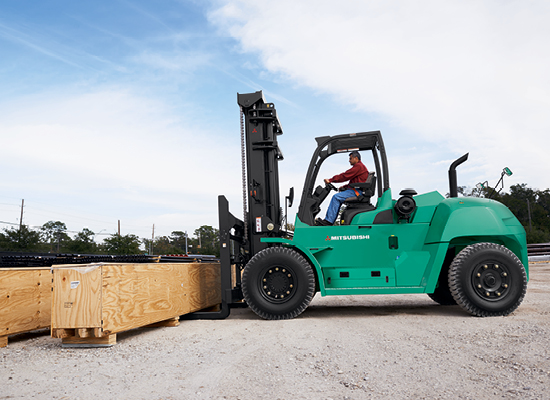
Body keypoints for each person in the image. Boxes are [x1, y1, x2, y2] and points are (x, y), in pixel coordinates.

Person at [315, 151, 369, 226]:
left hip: (357, 192)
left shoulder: (358, 166)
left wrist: (331, 180)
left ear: (356, 158)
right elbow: (354, 182)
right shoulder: (360, 167)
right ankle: (329, 220)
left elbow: (345, 176)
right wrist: (344, 187)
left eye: (350, 158)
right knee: (337, 196)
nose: (349, 160)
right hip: (355, 190)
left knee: (336, 197)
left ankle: (329, 221)